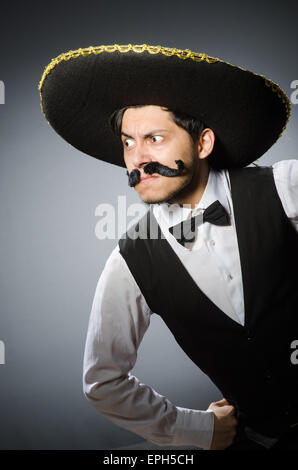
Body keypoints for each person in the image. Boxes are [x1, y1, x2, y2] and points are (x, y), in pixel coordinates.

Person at [38, 43, 298, 450]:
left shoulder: (284, 187)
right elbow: (102, 383)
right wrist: (196, 429)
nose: (137, 159)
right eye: (127, 143)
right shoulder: (131, 261)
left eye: (154, 138)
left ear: (203, 144)